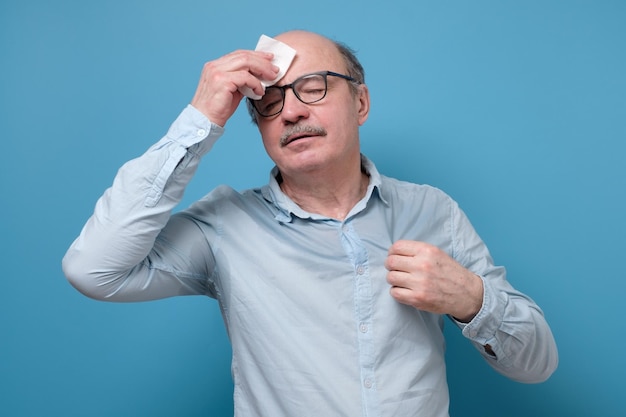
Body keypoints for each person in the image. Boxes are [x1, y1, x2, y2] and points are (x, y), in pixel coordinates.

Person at [62, 30, 558, 417]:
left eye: (313, 88)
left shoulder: (432, 211)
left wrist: (471, 300)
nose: (292, 111)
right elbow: (93, 270)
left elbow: (536, 364)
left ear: (360, 103)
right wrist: (199, 119)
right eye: (269, 101)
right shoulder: (224, 227)